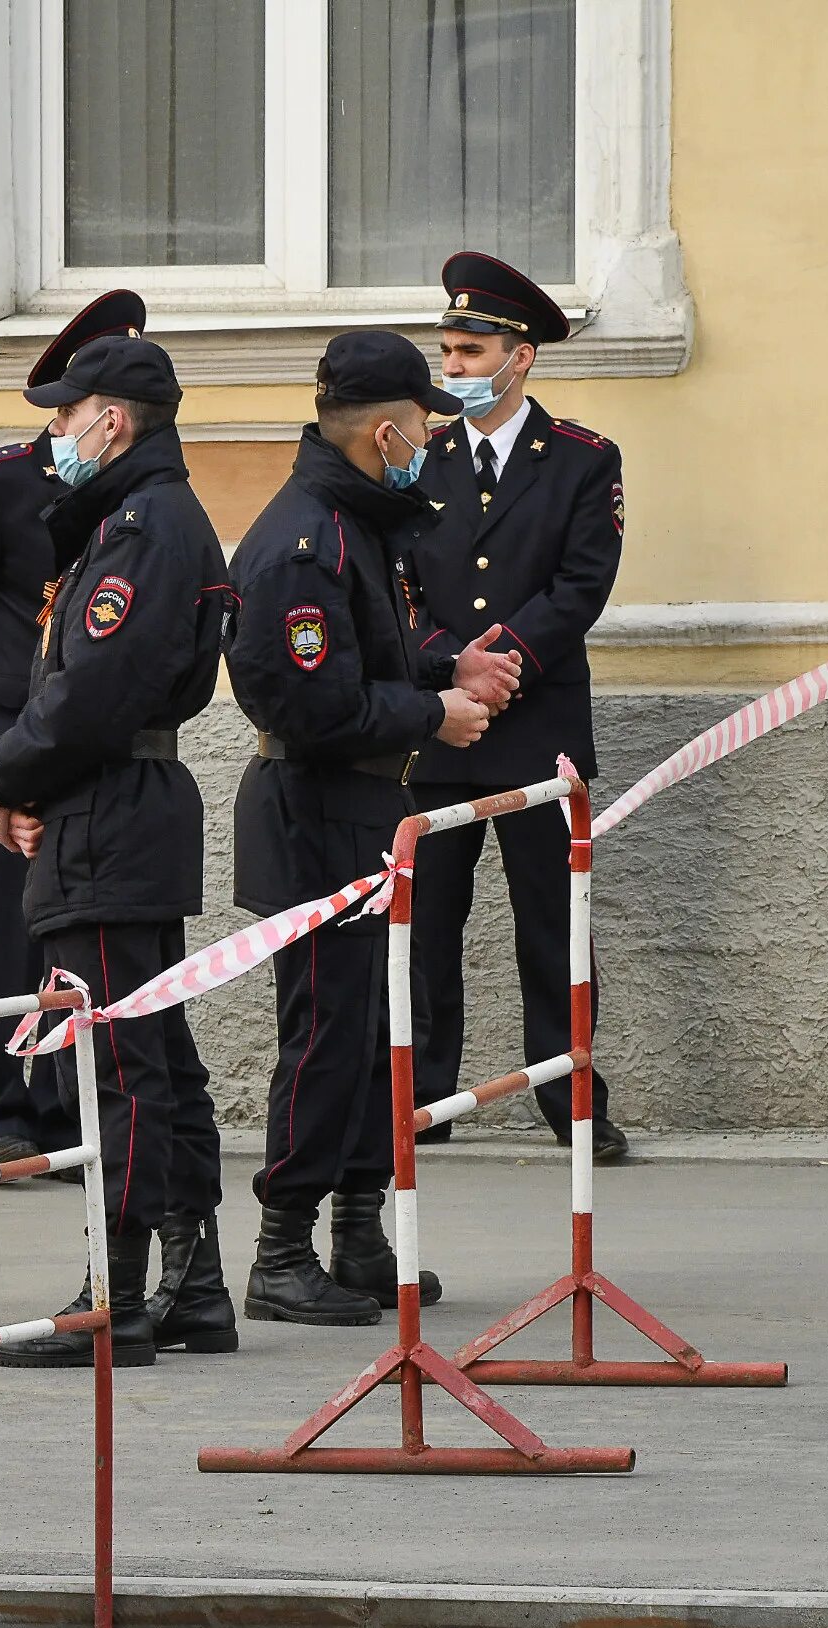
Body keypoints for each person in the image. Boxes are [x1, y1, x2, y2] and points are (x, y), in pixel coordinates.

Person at [228, 329, 503, 1326]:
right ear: (385, 432)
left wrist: (448, 667)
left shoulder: (356, 524)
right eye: (424, 423)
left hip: (363, 808)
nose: (432, 436)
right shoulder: (308, 542)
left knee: (379, 1029)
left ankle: (355, 1229)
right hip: (314, 811)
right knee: (327, 1037)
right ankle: (281, 1247)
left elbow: (380, 649)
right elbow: (314, 704)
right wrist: (435, 714)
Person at [0, 333, 237, 1366]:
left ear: (111, 420)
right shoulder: (142, 517)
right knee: (155, 1056)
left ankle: (116, 1300)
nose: (54, 436)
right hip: (118, 803)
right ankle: (192, 1281)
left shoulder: (141, 524)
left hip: (108, 811)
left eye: (61, 416)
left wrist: (7, 774)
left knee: (120, 1062)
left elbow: (89, 691)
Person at [0, 290, 144, 1173]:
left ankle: (72, 1108)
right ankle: (6, 1114)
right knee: (10, 928)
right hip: (13, 742)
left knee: (82, 930)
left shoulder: (129, 488)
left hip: (89, 741)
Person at [406, 251, 629, 1160]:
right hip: (440, 727)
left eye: (467, 351)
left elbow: (583, 583)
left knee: (553, 925)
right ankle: (423, 1098)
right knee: (427, 927)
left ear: (518, 355)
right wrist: (447, 668)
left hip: (537, 728)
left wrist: (505, 667)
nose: (451, 368)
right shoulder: (416, 458)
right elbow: (398, 588)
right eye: (447, 351)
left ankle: (571, 1096)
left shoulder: (582, 459)